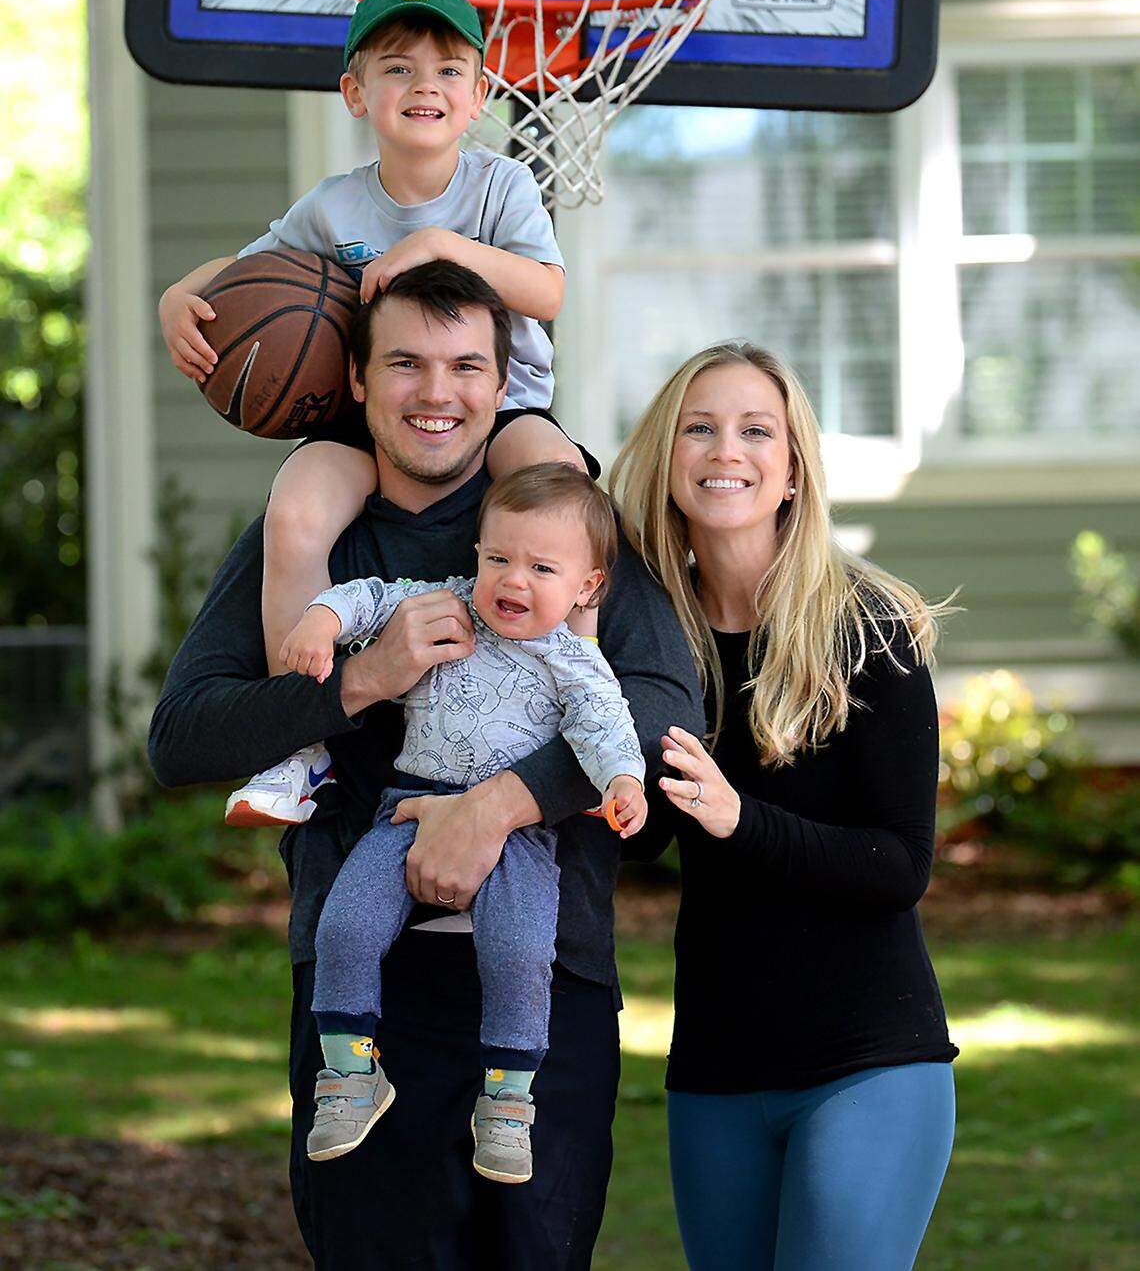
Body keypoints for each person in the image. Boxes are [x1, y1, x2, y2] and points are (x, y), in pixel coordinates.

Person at [147, 260, 704, 1270]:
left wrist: (496, 806)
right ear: (357, 381)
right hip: (363, 988)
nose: (436, 393)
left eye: (464, 366)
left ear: (502, 385)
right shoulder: (315, 541)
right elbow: (181, 735)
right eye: (404, 363)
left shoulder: (558, 529)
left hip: (545, 981)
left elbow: (662, 715)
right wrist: (361, 679)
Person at [157, 0, 587, 828]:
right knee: (296, 505)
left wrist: (438, 245)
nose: (424, 84)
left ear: (479, 97)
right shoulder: (335, 205)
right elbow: (249, 277)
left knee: (559, 477)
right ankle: (296, 740)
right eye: (397, 67)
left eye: (447, 69)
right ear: (356, 92)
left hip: (498, 411)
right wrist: (179, 293)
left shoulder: (501, 188)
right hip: (367, 418)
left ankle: (582, 679)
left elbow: (548, 291)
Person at [610, 340, 958, 1271]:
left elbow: (899, 865)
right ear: (667, 457)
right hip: (715, 1071)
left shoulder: (867, 628)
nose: (728, 450)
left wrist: (740, 818)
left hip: (869, 1064)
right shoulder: (644, 635)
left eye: (756, 430)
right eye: (701, 428)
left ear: (793, 469)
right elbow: (637, 843)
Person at [283, 464, 647, 1182]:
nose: (514, 579)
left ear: (587, 587)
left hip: (518, 837)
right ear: (475, 556)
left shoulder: (575, 662)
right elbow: (371, 599)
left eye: (543, 567)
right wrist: (323, 620)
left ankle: (508, 1101)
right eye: (499, 558)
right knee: (345, 926)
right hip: (408, 805)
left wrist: (623, 780)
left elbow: (607, 727)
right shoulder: (447, 606)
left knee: (517, 953)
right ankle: (352, 1073)